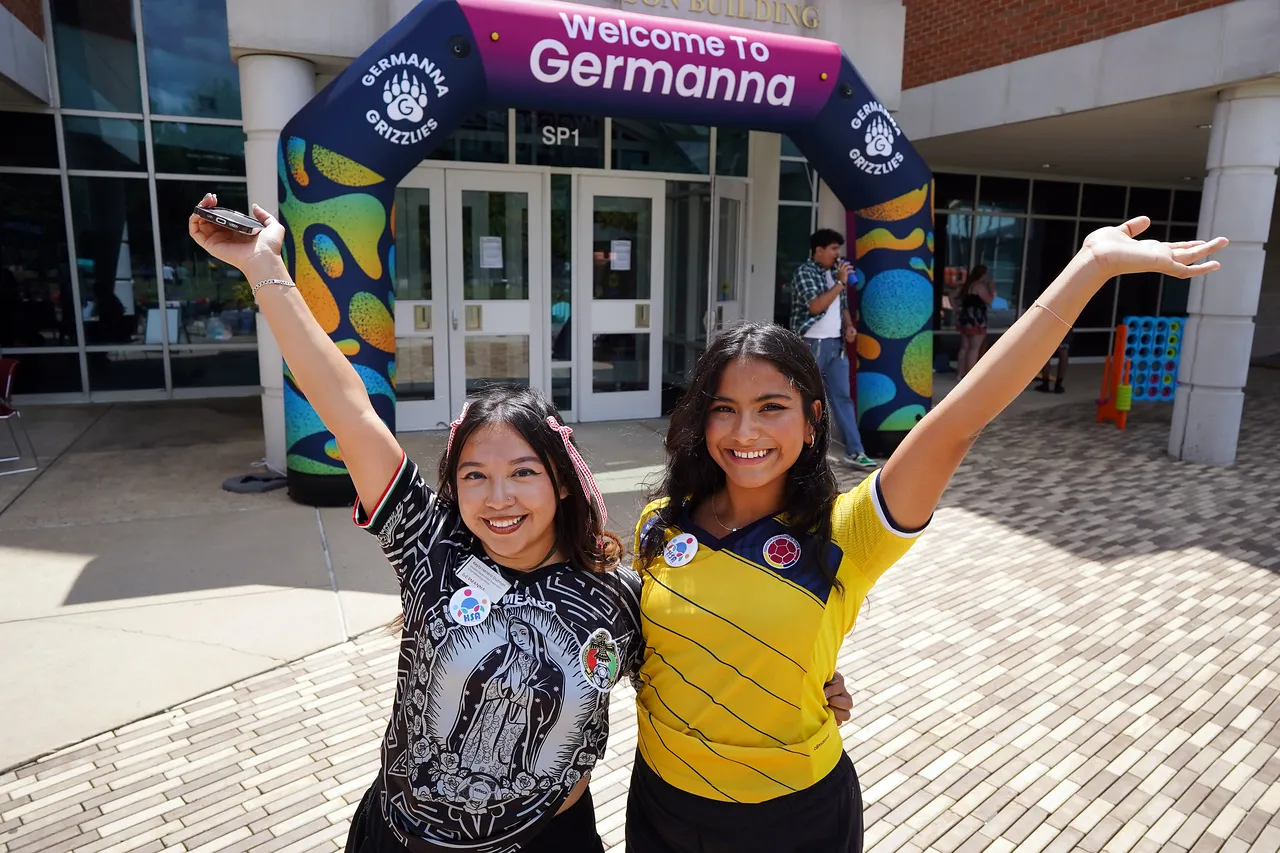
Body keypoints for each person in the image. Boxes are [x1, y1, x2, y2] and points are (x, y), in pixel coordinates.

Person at [188, 194, 857, 852]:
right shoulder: (432, 546)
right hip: (406, 837)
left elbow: (708, 650)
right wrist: (265, 269)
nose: (498, 497)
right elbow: (347, 406)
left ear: (563, 483)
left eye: (523, 472)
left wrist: (807, 681)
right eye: (475, 475)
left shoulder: (618, 596)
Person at [627, 217, 1227, 853]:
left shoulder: (847, 531)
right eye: (725, 409)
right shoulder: (660, 521)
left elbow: (956, 422)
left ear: (811, 421)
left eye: (772, 407)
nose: (745, 431)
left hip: (792, 816)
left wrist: (1089, 269)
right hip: (661, 799)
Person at [788, 228, 876, 469]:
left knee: (842, 398)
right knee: (805, 398)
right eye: (834, 249)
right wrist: (839, 282)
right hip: (811, 343)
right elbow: (815, 306)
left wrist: (849, 327)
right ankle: (799, 451)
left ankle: (855, 451)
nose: (838, 254)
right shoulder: (805, 272)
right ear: (819, 250)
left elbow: (843, 307)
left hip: (836, 345)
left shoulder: (835, 276)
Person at [954, 264, 994, 379]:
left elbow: (951, 296)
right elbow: (989, 300)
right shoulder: (979, 286)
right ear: (983, 275)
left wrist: (956, 309)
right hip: (976, 318)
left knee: (964, 347)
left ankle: (960, 373)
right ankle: (969, 375)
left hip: (965, 317)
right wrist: (991, 289)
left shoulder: (966, 286)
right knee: (974, 348)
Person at [1035, 328, 1072, 393]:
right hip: (1065, 323)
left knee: (1046, 351)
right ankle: (1058, 385)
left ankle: (1045, 383)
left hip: (1051, 323)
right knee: (1063, 350)